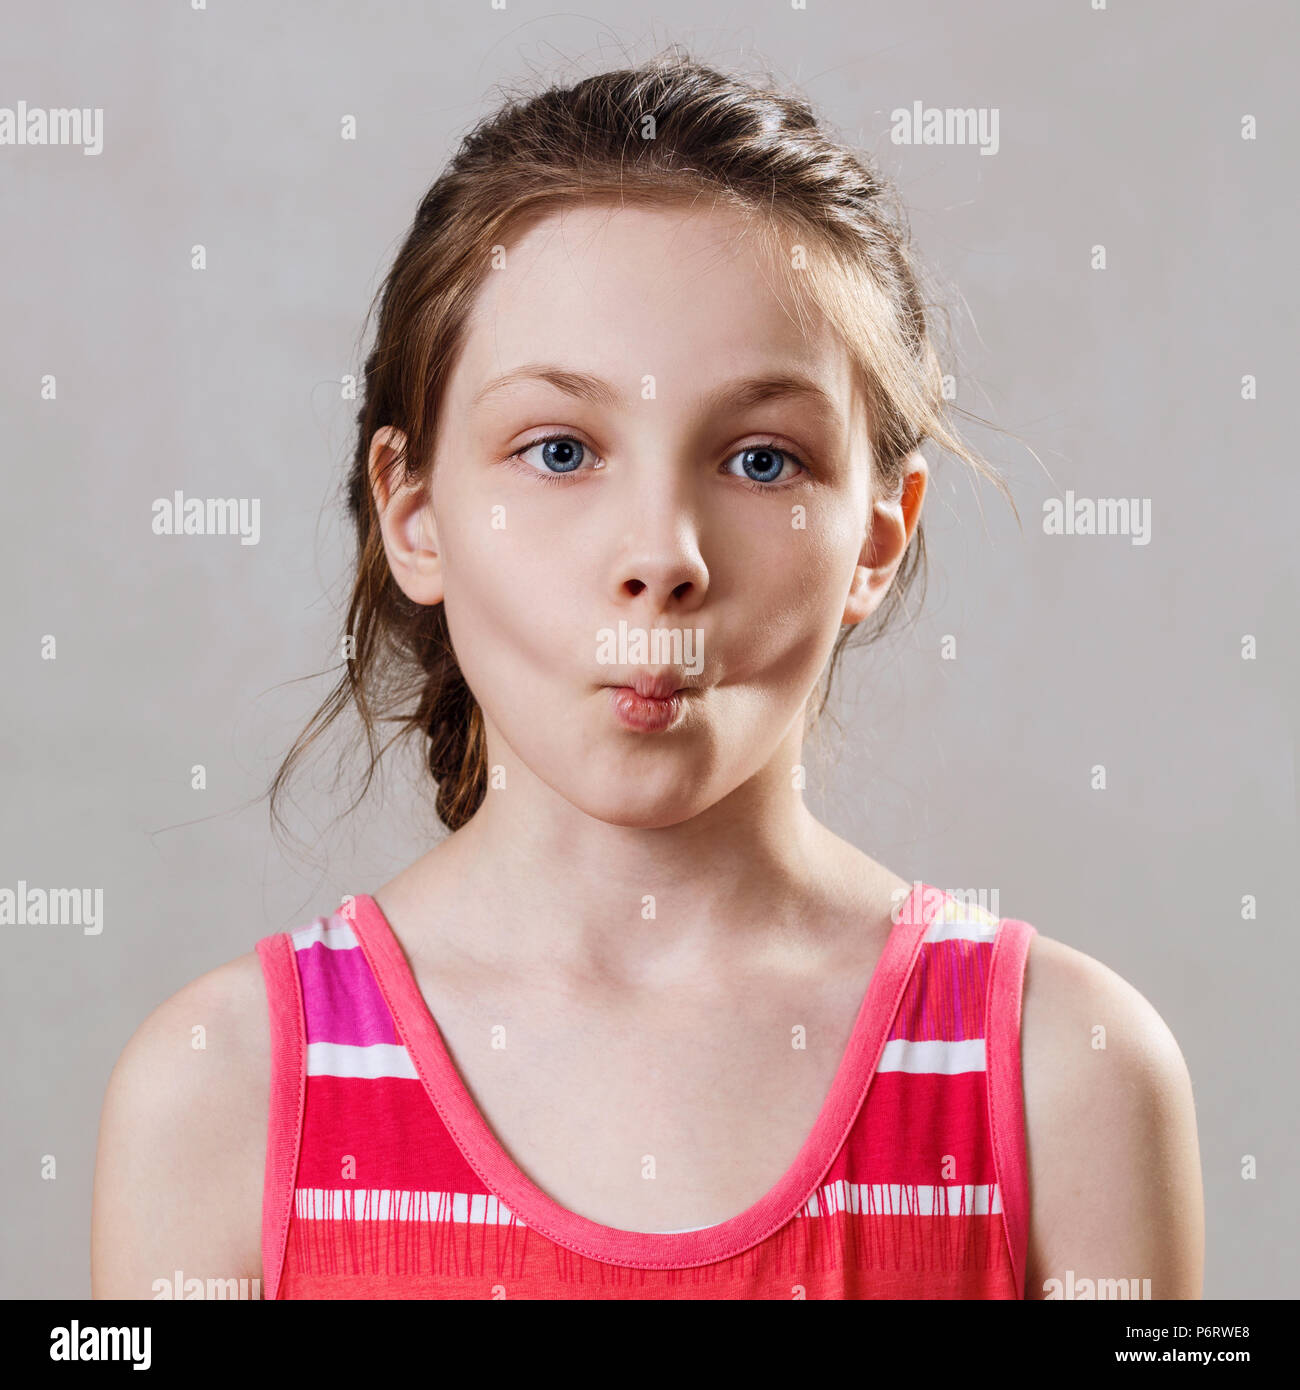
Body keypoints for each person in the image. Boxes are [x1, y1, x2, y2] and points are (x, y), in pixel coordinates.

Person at [91, 49, 1203, 1300]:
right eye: (559, 449)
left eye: (763, 461)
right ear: (413, 515)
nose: (661, 558)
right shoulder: (220, 1093)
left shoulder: (1066, 1079)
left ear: (877, 540)